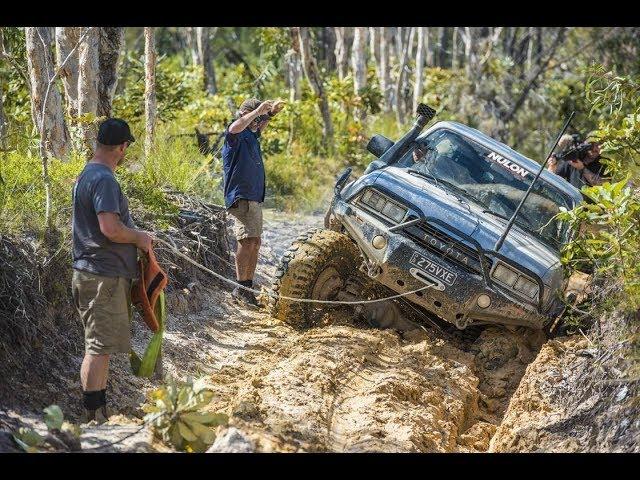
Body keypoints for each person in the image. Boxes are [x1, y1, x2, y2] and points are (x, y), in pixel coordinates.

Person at [71, 118, 153, 423]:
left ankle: (98, 411)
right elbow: (110, 228)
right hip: (101, 277)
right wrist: (140, 238)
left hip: (93, 273)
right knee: (98, 348)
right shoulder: (104, 179)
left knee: (98, 346)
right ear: (122, 147)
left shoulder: (87, 174)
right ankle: (94, 417)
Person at [222, 97, 285, 307]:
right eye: (255, 118)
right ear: (246, 114)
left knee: (254, 242)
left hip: (254, 196)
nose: (258, 123)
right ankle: (240, 287)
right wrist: (258, 111)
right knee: (247, 240)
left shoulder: (250, 135)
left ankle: (247, 286)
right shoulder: (236, 135)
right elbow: (234, 127)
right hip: (242, 195)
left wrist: (271, 114)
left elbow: (259, 127)